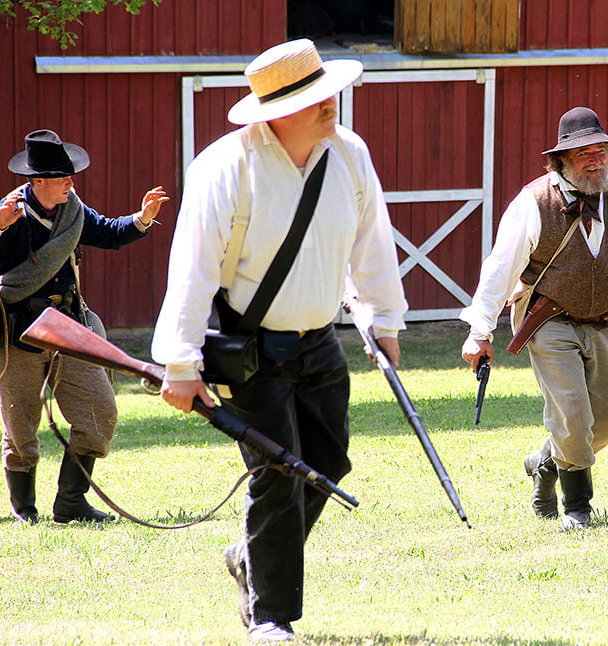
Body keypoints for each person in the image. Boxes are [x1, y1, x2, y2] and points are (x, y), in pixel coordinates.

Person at [151, 39, 407, 643]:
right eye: (316, 100)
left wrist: (386, 321)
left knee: (328, 465)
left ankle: (250, 557)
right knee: (278, 472)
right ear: (275, 112)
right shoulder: (224, 166)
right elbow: (193, 269)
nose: (331, 106)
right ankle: (272, 617)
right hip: (250, 351)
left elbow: (373, 240)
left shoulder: (349, 154)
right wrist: (181, 363)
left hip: (320, 343)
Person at [460, 107, 608, 530]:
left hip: (605, 320)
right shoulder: (533, 203)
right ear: (560, 160)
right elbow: (500, 269)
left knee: (606, 422)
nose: (596, 159)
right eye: (583, 153)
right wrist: (479, 332)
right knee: (573, 414)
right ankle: (578, 510)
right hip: (548, 320)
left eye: (601, 150)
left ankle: (544, 463)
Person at [0, 129, 168, 524]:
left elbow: (108, 233)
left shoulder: (71, 209)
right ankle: (25, 511)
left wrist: (142, 219)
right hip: (16, 332)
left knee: (100, 413)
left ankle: (71, 503)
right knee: (21, 428)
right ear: (38, 181)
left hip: (69, 326)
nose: (71, 182)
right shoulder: (10, 209)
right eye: (63, 176)